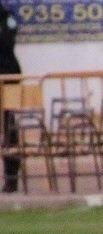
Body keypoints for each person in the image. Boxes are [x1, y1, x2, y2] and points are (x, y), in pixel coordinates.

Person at [1, 4, 21, 193]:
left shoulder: (7, 17)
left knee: (9, 127)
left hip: (7, 77)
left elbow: (7, 43)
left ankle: (12, 176)